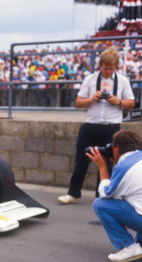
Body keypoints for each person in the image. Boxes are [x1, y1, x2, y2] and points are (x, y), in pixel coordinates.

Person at [58, 49, 135, 204]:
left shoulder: (123, 80)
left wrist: (118, 102)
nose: (107, 71)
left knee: (107, 162)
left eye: (111, 68)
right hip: (91, 125)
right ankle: (73, 193)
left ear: (116, 67)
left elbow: (131, 102)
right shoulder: (90, 79)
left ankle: (102, 196)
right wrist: (92, 99)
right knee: (81, 159)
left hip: (111, 126)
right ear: (100, 66)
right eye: (105, 68)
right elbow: (78, 103)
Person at [90, 129, 142, 262]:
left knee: (100, 205)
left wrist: (102, 166)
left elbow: (106, 193)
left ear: (117, 148)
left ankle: (128, 247)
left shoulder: (124, 166)